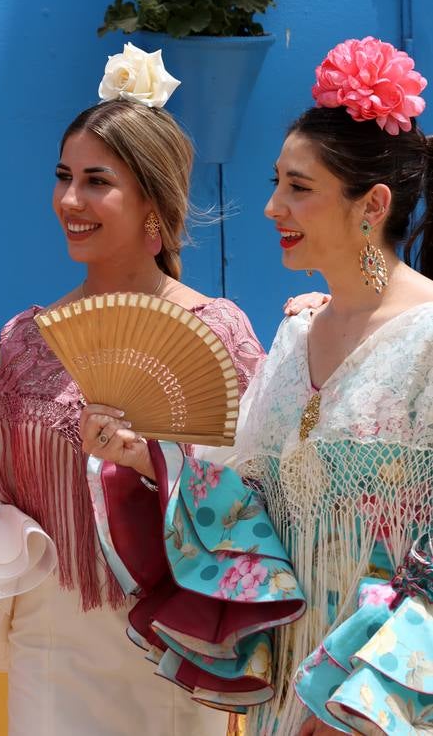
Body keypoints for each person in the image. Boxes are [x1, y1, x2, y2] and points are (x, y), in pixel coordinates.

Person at [0, 44, 325, 736]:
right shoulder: (23, 341)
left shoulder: (216, 330)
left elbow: (255, 500)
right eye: (63, 176)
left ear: (153, 200)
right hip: (52, 645)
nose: (69, 200)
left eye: (97, 181)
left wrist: (150, 465)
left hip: (171, 644)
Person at [214, 36, 433, 735]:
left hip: (379, 703)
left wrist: (358, 692)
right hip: (287, 697)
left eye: (298, 188)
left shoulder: (427, 338)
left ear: (370, 204)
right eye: (275, 182)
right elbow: (245, 504)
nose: (272, 207)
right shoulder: (290, 339)